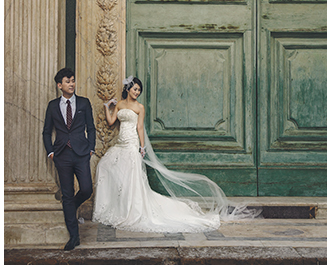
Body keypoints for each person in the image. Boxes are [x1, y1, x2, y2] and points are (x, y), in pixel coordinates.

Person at [93, 76, 256, 233]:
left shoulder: (140, 107)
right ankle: (117, 207)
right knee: (105, 167)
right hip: (120, 144)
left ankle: (130, 210)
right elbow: (111, 121)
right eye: (135, 89)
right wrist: (108, 107)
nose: (137, 93)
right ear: (128, 89)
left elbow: (140, 128)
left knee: (130, 178)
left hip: (131, 144)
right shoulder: (120, 104)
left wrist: (142, 147)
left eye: (139, 91)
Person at [42, 67, 96, 250]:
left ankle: (71, 207)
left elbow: (91, 127)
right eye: (67, 81)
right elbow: (47, 131)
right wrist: (51, 152)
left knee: (87, 189)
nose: (71, 83)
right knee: (66, 194)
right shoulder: (52, 106)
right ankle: (74, 237)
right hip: (62, 155)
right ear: (59, 85)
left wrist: (91, 148)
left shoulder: (83, 103)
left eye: (73, 80)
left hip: (81, 153)